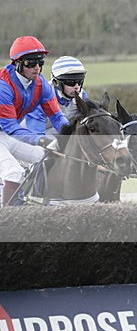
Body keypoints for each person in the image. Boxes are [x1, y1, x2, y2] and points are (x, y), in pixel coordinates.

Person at [0, 36, 71, 206]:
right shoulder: (3, 86)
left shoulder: (41, 85)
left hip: (7, 135)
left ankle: (34, 202)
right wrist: (40, 139)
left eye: (40, 62)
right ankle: (9, 220)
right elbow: (10, 127)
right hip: (8, 131)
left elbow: (56, 116)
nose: (37, 67)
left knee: (45, 157)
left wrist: (73, 133)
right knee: (14, 172)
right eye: (31, 63)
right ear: (17, 63)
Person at [25, 55, 89, 136]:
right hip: (31, 134)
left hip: (60, 132)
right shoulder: (40, 97)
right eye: (71, 82)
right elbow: (36, 133)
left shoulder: (82, 95)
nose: (76, 86)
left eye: (80, 81)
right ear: (56, 83)